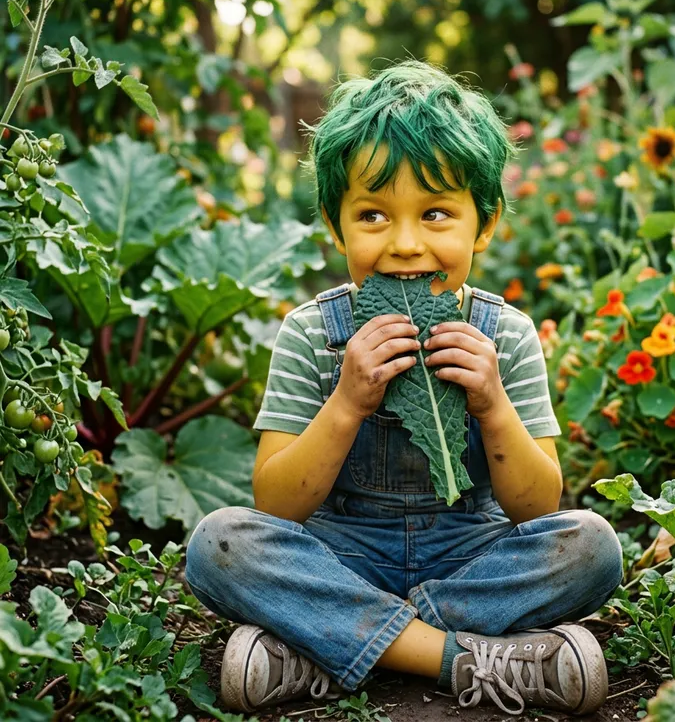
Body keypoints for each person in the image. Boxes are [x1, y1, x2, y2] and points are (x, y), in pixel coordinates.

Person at [185, 60, 623, 717]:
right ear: (335, 227)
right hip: (344, 555)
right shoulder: (310, 334)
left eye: (437, 213)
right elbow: (275, 505)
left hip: (468, 556)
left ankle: (321, 647)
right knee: (218, 545)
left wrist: (493, 405)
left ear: (486, 223)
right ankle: (463, 657)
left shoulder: (507, 336)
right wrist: (347, 402)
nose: (407, 245)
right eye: (373, 216)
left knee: (592, 547)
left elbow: (538, 506)